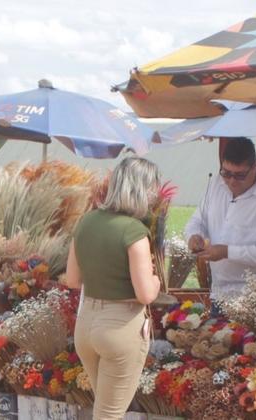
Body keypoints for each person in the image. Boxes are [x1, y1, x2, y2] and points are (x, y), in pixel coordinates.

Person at [65, 157, 161, 420]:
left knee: (104, 410)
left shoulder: (86, 222)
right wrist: (156, 280)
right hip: (120, 327)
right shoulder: (134, 231)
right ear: (142, 190)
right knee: (109, 414)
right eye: (152, 189)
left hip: (86, 325)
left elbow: (72, 280)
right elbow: (146, 294)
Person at [185, 137, 256, 309]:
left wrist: (227, 252)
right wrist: (194, 235)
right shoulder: (216, 184)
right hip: (220, 296)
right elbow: (198, 220)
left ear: (255, 167)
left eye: (240, 175)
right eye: (226, 173)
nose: (232, 181)